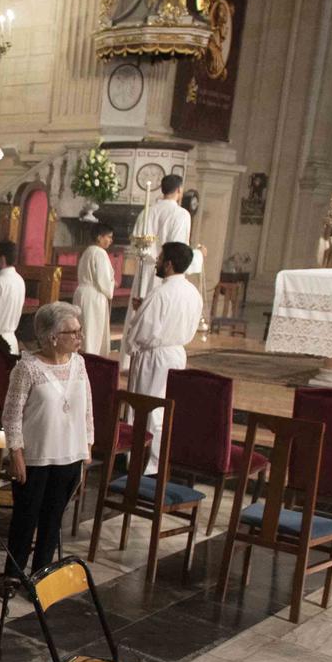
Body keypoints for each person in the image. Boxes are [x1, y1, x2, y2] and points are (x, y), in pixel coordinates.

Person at [3, 301, 94, 582]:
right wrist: (16, 453)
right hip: (36, 458)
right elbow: (11, 415)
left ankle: (41, 576)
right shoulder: (27, 368)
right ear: (53, 336)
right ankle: (14, 576)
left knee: (53, 521)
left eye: (79, 331)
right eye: (73, 332)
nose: (79, 337)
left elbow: (87, 407)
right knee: (25, 520)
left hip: (70, 455)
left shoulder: (78, 364)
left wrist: (87, 445)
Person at [122, 242, 203, 468]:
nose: (156, 262)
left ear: (168, 264)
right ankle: (154, 463)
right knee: (162, 409)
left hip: (153, 357)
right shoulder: (192, 293)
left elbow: (143, 330)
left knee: (146, 408)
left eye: (159, 258)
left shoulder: (161, 292)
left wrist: (131, 345)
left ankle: (141, 464)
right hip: (176, 354)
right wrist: (144, 307)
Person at [133, 173, 191, 305]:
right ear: (179, 190)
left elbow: (136, 244)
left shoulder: (146, 212)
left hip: (145, 270)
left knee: (140, 311)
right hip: (166, 271)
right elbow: (178, 248)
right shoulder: (181, 214)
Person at [74, 225, 116, 357]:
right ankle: (91, 364)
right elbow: (103, 281)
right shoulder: (100, 253)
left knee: (83, 332)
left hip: (81, 294)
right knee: (92, 335)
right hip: (94, 297)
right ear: (99, 237)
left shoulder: (87, 251)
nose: (111, 240)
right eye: (108, 237)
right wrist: (111, 285)